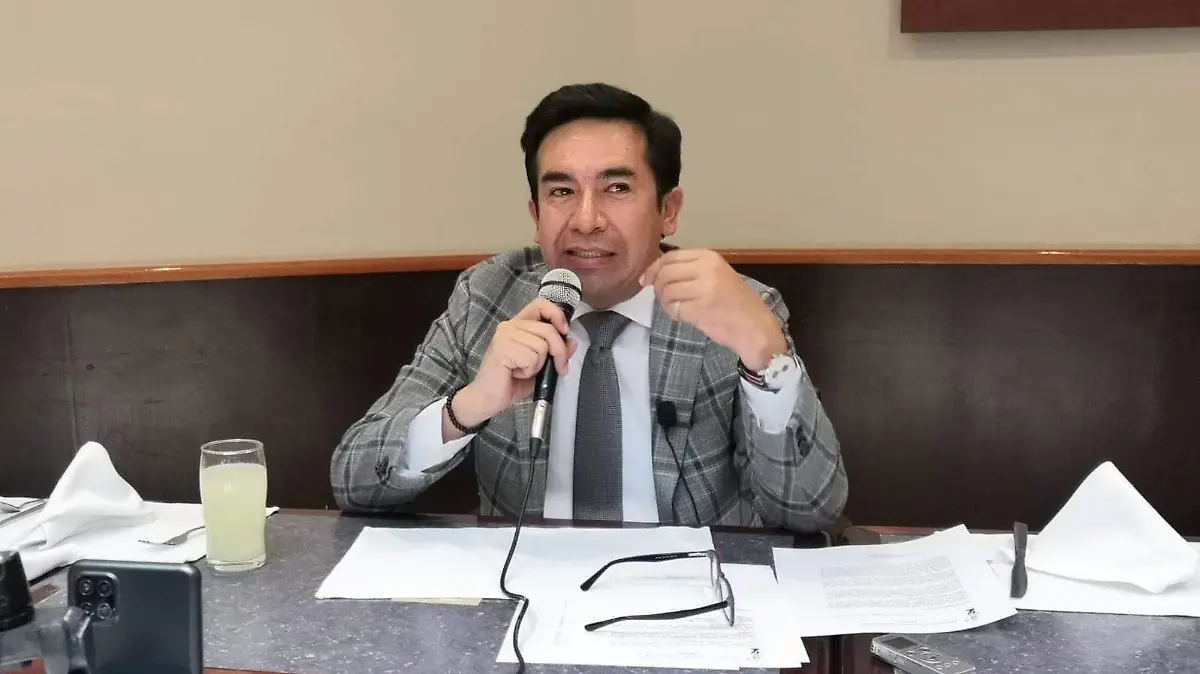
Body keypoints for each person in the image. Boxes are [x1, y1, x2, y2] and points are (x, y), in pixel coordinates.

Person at [330, 83, 847, 533]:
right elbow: (353, 477)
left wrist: (765, 357)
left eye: (616, 188)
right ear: (536, 215)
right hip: (524, 591)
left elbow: (810, 510)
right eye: (561, 191)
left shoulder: (729, 312)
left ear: (668, 211)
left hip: (685, 598)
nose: (585, 220)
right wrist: (469, 406)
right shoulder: (488, 297)